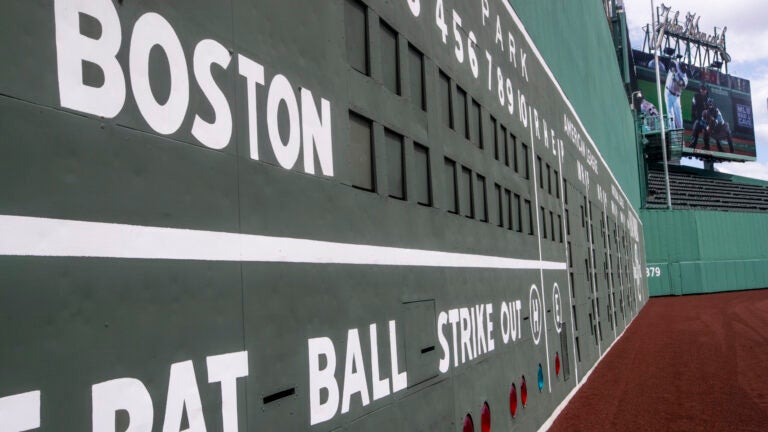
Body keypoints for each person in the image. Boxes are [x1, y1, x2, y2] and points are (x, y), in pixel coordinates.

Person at [665, 57, 688, 129]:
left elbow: (681, 83)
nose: (682, 71)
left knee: (679, 118)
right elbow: (671, 63)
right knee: (671, 116)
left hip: (676, 97)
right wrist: (674, 71)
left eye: (684, 70)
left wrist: (676, 78)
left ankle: (681, 138)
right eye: (682, 69)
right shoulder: (676, 64)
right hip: (668, 92)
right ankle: (673, 137)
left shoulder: (685, 78)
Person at [689, 85, 709, 150]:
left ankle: (706, 146)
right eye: (702, 89)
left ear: (706, 91)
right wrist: (694, 118)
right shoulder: (696, 96)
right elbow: (693, 107)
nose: (703, 91)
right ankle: (692, 146)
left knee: (706, 132)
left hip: (705, 120)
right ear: (700, 90)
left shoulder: (708, 99)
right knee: (695, 131)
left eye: (704, 90)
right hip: (698, 118)